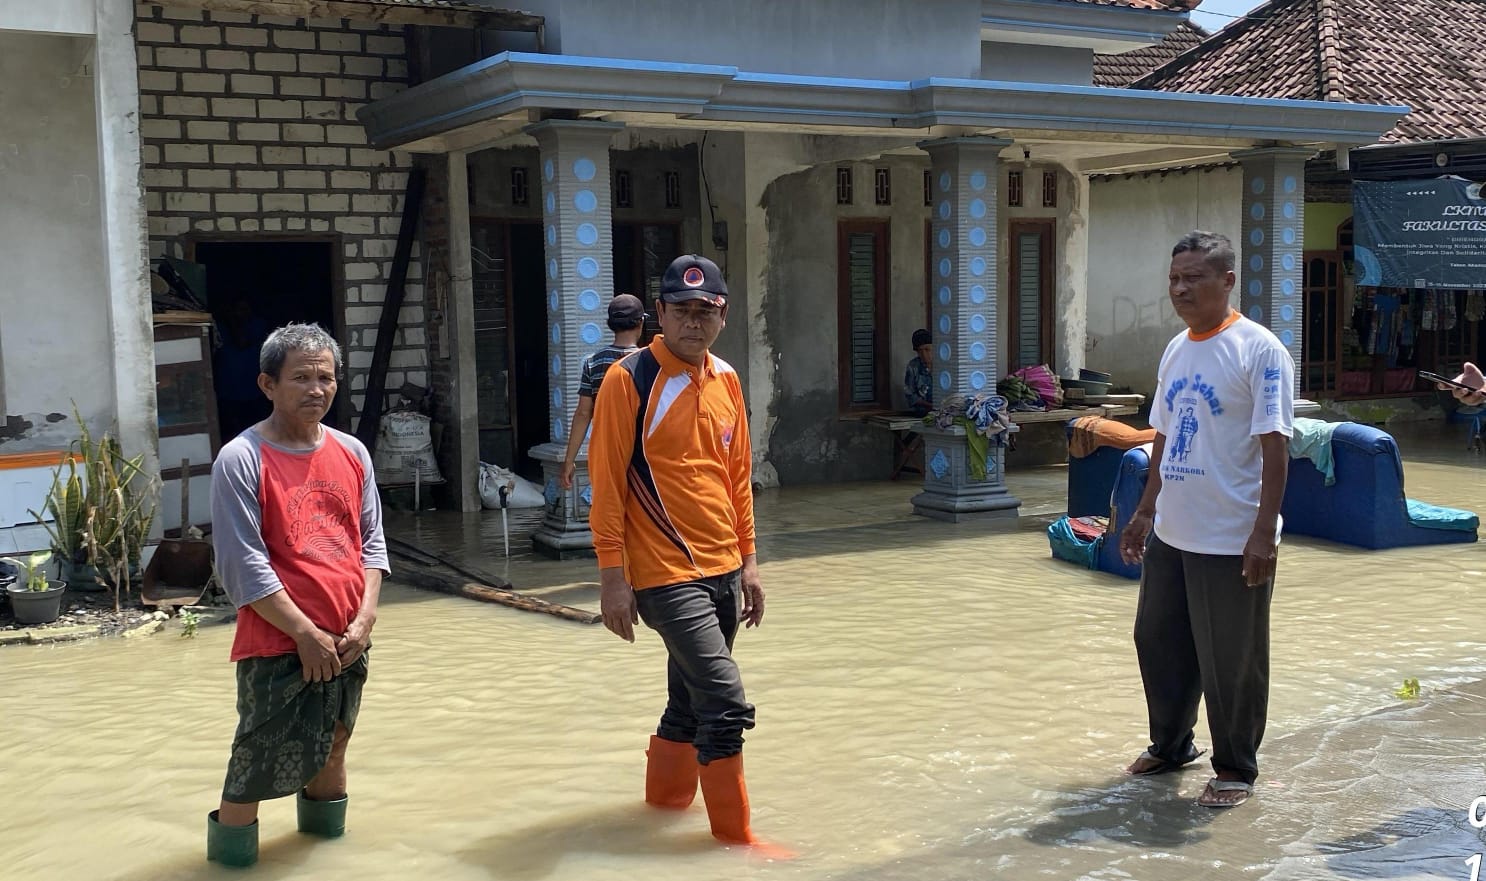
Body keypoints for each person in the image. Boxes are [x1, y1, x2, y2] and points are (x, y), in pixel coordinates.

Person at [587, 255, 775, 849]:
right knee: (725, 703)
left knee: (688, 705)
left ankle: (662, 813)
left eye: (706, 311)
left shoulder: (726, 379)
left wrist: (749, 561)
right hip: (664, 575)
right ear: (659, 313)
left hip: (723, 567)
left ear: (721, 316)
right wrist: (612, 577)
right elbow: (608, 481)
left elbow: (737, 477)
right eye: (682, 311)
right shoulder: (631, 379)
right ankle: (737, 844)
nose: (694, 322)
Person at [1118, 231, 1294, 810]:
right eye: (1174, 278)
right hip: (1173, 530)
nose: (1181, 288)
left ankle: (1236, 768)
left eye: (1194, 277)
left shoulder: (1259, 350)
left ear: (1227, 281)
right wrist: (1145, 511)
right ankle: (1172, 746)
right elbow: (1163, 437)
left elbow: (1275, 450)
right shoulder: (1176, 349)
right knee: (1158, 639)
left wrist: (1263, 533)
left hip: (1231, 535)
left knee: (1231, 659)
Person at [206, 323, 388, 867]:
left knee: (334, 745)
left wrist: (365, 619)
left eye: (326, 378)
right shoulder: (241, 459)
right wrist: (305, 635)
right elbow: (243, 565)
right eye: (301, 378)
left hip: (347, 639)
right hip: (278, 643)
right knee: (254, 765)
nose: (317, 389)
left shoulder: (352, 452)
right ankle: (232, 867)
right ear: (267, 384)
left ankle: (326, 858)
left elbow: (371, 542)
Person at [559, 293, 645, 490]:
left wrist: (569, 460)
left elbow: (583, 412)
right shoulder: (648, 362)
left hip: (606, 452)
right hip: (644, 452)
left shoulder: (593, 363)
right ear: (640, 323)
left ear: (609, 324)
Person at [904, 328, 934, 416]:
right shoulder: (913, 366)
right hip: (922, 413)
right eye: (920, 351)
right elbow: (910, 395)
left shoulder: (943, 364)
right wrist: (929, 405)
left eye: (927, 350)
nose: (924, 355)